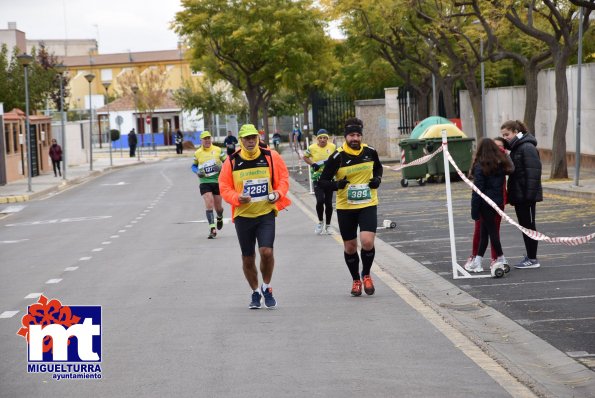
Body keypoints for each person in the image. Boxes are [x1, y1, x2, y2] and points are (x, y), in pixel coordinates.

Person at [218, 124, 291, 309]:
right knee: (248, 258)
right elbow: (224, 187)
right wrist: (237, 197)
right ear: (240, 140)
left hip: (265, 213)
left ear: (258, 138)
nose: (250, 141)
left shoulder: (271, 156)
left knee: (266, 252)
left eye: (253, 138)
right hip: (243, 216)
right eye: (246, 138)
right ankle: (255, 292)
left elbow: (283, 179)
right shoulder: (232, 161)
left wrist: (278, 194)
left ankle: (267, 287)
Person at [318, 117, 383, 296]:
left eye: (357, 135)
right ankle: (356, 279)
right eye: (351, 135)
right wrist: (336, 185)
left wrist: (377, 179)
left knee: (367, 242)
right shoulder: (337, 157)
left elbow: (378, 168)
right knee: (350, 247)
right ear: (345, 137)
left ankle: (367, 275)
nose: (355, 138)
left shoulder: (370, 151)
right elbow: (322, 181)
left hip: (368, 203)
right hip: (346, 207)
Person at [465, 138, 514, 275]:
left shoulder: (480, 167)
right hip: (497, 202)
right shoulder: (500, 164)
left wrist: (474, 210)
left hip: (485, 204)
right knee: (485, 233)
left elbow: (477, 191)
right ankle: (478, 261)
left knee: (491, 233)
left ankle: (501, 258)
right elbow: (511, 168)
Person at [500, 120, 543, 269]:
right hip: (520, 196)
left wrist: (529, 196)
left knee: (529, 226)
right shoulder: (516, 148)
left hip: (526, 197)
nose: (505, 137)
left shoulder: (527, 147)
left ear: (516, 132)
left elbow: (534, 172)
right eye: (503, 135)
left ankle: (532, 259)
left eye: (507, 134)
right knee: (525, 227)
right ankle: (530, 255)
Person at [191, 131, 227, 239]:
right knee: (208, 202)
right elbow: (193, 166)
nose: (207, 140)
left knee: (218, 207)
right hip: (205, 182)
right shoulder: (197, 153)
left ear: (211, 139)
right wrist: (197, 172)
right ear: (201, 140)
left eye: (208, 138)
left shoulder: (218, 150)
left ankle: (219, 216)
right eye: (204, 139)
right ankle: (212, 228)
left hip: (217, 181)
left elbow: (227, 162)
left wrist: (221, 168)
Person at [303, 128, 336, 235]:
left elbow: (337, 158)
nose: (322, 140)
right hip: (317, 178)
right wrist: (313, 164)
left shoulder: (332, 146)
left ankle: (328, 226)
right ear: (317, 139)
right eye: (320, 138)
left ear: (327, 138)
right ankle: (320, 222)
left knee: (329, 203)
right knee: (320, 200)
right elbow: (305, 157)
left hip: (329, 179)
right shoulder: (312, 148)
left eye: (324, 138)